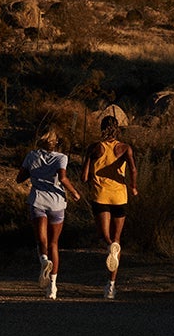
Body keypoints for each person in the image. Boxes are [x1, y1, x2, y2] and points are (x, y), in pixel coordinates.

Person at [17, 127, 82, 300]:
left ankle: (44, 260)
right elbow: (62, 178)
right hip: (56, 203)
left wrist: (34, 173)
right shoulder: (62, 158)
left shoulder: (32, 155)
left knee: (41, 240)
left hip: (37, 200)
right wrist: (74, 192)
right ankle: (52, 286)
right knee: (54, 243)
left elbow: (19, 178)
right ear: (57, 143)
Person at [84, 115, 139, 299]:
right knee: (117, 239)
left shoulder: (95, 147)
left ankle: (109, 246)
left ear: (101, 127)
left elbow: (84, 177)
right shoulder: (125, 148)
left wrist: (89, 172)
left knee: (104, 235)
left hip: (100, 196)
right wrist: (133, 186)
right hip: (120, 196)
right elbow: (133, 169)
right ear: (117, 128)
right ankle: (111, 286)